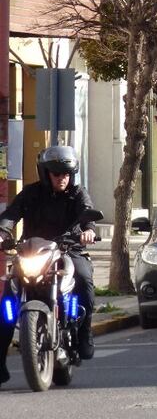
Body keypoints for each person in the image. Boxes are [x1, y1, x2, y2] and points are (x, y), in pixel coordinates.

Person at [0, 146, 98, 385]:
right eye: (56, 174)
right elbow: (11, 214)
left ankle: (84, 334)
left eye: (66, 174)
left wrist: (88, 231)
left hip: (67, 250)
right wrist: (2, 232)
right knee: (8, 299)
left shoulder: (77, 193)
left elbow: (87, 213)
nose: (62, 178)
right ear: (45, 174)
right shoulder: (31, 193)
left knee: (84, 278)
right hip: (33, 252)